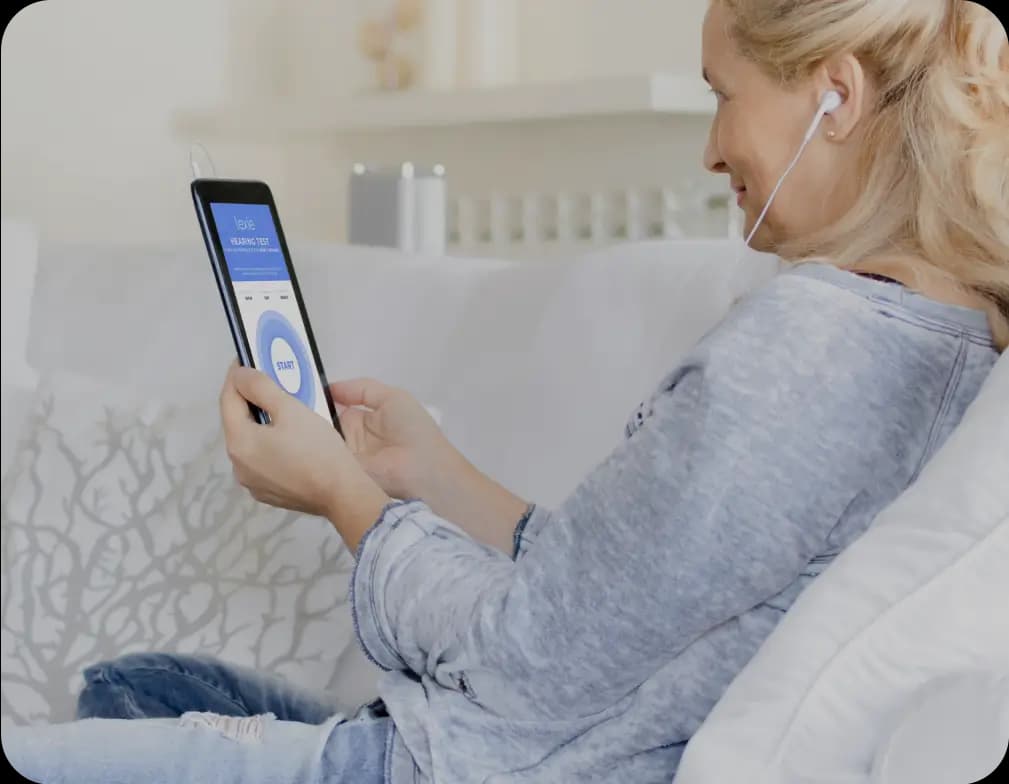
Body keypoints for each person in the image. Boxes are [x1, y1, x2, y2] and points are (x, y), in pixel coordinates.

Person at [5, 1, 1007, 782]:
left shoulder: (807, 344)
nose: (709, 148)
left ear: (834, 96)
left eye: (720, 93)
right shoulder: (939, 345)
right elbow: (623, 605)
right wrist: (434, 474)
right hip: (493, 744)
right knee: (136, 687)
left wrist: (341, 495)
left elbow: (516, 661)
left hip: (451, 762)